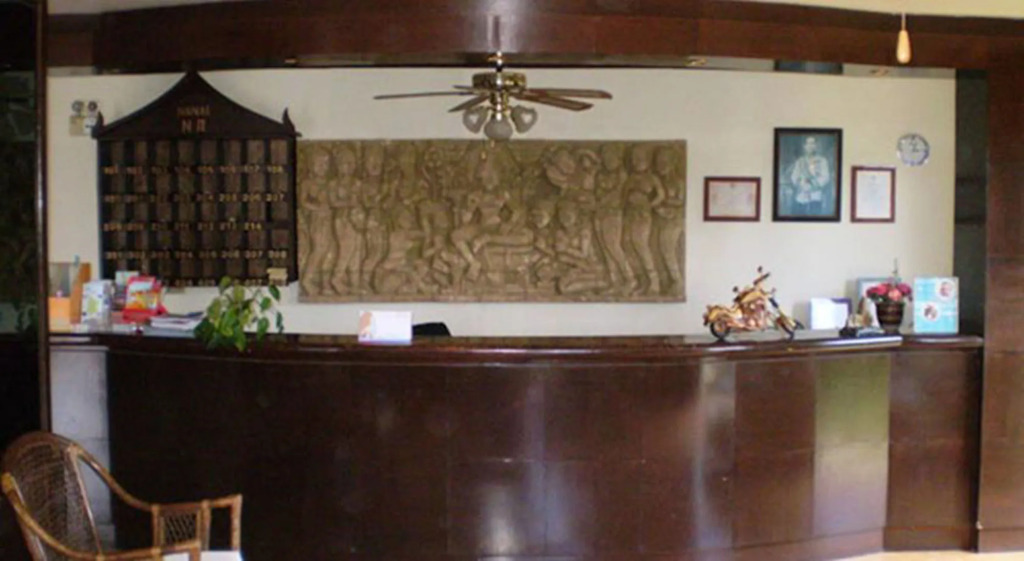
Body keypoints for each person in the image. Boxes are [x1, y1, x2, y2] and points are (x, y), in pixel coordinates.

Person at [788, 136, 832, 215]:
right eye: (808, 144)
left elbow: (825, 177)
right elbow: (794, 177)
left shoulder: (822, 161)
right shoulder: (800, 161)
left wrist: (812, 184)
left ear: (816, 146)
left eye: (813, 143)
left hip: (815, 195)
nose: (810, 146)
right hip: (801, 196)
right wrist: (801, 184)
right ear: (804, 146)